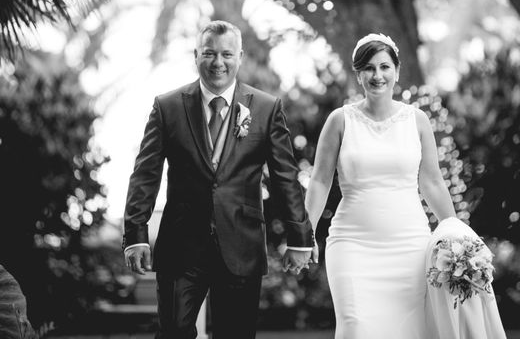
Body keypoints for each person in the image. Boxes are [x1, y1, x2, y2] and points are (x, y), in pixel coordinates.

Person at [122, 20, 313, 339]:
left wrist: (299, 237)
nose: (218, 62)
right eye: (209, 53)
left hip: (241, 244)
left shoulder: (266, 108)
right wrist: (136, 233)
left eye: (227, 54)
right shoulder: (167, 107)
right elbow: (145, 174)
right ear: (196, 55)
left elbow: (285, 177)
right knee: (172, 332)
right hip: (180, 244)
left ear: (240, 56)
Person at [304, 33, 462, 338]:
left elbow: (431, 181)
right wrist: (305, 233)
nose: (377, 75)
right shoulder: (339, 121)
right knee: (355, 326)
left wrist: (456, 234)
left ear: (397, 71)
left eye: (384, 67)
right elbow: (320, 181)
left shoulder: (417, 120)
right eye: (369, 68)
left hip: (410, 247)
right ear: (358, 74)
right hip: (352, 244)